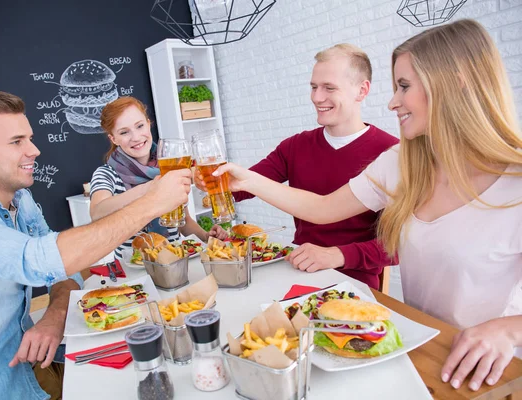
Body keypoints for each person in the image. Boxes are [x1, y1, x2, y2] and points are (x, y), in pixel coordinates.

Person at [214, 20, 522, 392]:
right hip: (420, 345)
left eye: (404, 87)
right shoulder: (401, 161)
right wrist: (245, 180)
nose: (393, 102)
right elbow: (324, 209)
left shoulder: (515, 181)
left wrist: (508, 329)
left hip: (494, 370)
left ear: (454, 82)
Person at [0, 91, 191, 399]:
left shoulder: (22, 202)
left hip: (34, 363)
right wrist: (152, 201)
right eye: (16, 141)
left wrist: (54, 316)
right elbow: (38, 260)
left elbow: (66, 271)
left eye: (30, 138)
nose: (34, 150)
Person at [197, 44, 399, 290]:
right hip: (297, 268)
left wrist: (338, 254)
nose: (316, 97)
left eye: (329, 88)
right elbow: (244, 186)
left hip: (353, 281)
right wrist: (211, 184)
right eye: (314, 87)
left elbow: (399, 246)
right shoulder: (295, 146)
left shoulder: (390, 153)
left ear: (361, 90)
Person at [90, 96, 227, 262]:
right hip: (134, 270)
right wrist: (149, 189)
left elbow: (183, 222)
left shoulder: (169, 166)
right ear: (114, 139)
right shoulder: (106, 174)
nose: (136, 137)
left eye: (139, 126)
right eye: (124, 132)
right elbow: (97, 213)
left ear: (148, 124)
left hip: (176, 263)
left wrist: (206, 237)